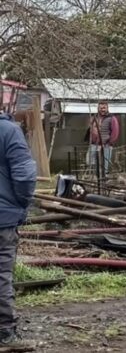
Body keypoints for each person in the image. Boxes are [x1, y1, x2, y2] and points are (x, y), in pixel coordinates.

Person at [0, 112, 36, 348]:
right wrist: (21, 204)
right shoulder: (9, 131)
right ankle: (4, 331)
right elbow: (24, 175)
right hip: (3, 217)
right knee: (2, 272)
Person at [88, 101, 120, 176]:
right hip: (94, 144)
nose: (102, 109)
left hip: (106, 145)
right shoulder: (94, 117)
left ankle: (104, 179)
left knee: (105, 164)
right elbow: (90, 129)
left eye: (104, 108)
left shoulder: (112, 118)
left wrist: (110, 143)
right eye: (101, 108)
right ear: (98, 108)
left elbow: (115, 132)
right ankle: (95, 178)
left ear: (107, 108)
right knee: (92, 162)